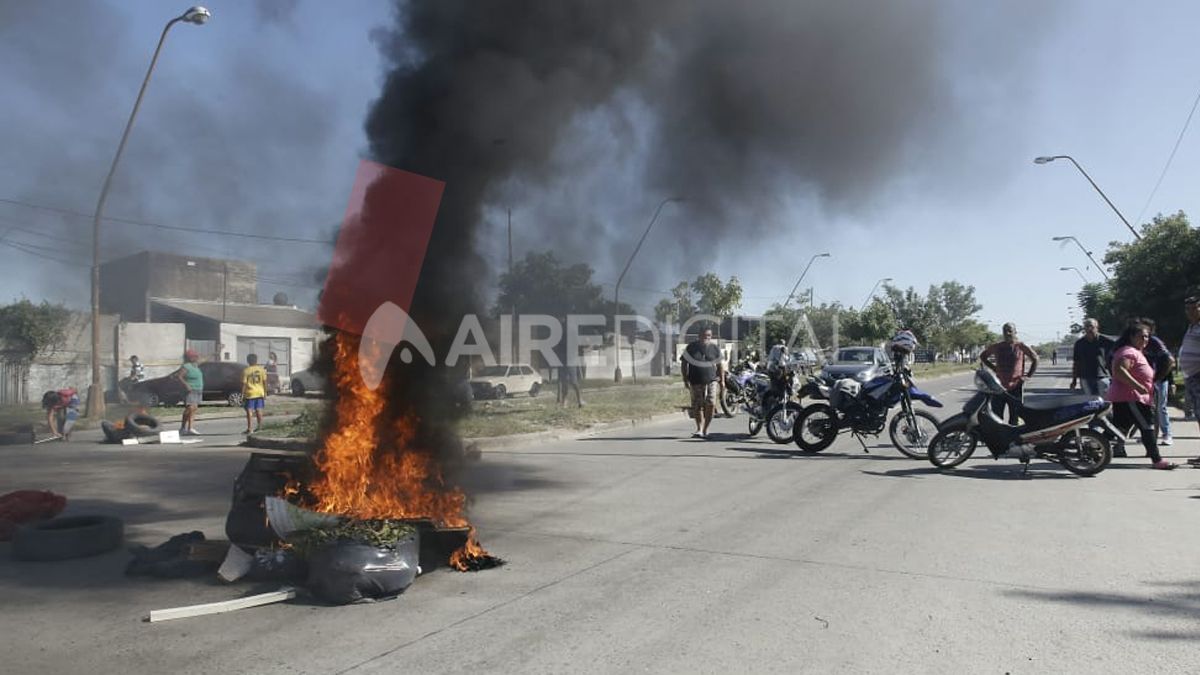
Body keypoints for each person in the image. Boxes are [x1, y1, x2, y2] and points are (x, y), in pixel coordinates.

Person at [1107, 322, 1176, 470]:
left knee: (1120, 428)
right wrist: (1137, 386)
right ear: (1131, 337)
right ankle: (1157, 460)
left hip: (1131, 397)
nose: (1145, 340)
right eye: (1141, 336)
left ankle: (1094, 447)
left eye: (1147, 337)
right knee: (1147, 427)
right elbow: (1119, 370)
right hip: (1132, 397)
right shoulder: (1128, 352)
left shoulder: (1134, 351)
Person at [979, 322, 1038, 423]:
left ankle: (1013, 438)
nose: (1007, 333)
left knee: (1014, 418)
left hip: (1015, 387)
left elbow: (1035, 359)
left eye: (1010, 331)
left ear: (1015, 332)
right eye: (1005, 331)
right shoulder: (997, 346)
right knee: (997, 418)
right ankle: (999, 438)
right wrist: (993, 368)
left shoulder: (1020, 346)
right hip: (999, 387)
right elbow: (983, 356)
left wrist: (1028, 376)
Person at [681, 327, 725, 439]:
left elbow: (720, 366)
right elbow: (684, 363)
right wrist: (685, 378)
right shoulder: (691, 347)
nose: (706, 337)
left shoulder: (714, 348)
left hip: (711, 380)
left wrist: (722, 381)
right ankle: (699, 428)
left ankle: (706, 429)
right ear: (699, 336)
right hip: (695, 380)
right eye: (704, 335)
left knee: (711, 403)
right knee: (697, 405)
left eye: (709, 335)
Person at [1139, 318, 1176, 446]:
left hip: (1159, 380)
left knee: (1161, 408)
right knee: (1148, 408)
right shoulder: (1139, 342)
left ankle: (1167, 434)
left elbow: (1169, 362)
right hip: (1145, 380)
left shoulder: (1155, 342)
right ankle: (1149, 435)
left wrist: (1170, 381)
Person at [1071, 318, 1115, 396]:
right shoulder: (1079, 343)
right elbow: (1076, 362)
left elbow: (1118, 354)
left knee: (1105, 402)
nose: (1089, 329)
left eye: (1091, 326)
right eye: (1086, 326)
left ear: (1097, 327)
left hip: (1102, 377)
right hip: (1085, 378)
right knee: (1090, 403)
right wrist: (1074, 380)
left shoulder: (1105, 341)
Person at [1180, 294, 1200, 466]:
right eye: (1188, 309)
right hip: (1192, 378)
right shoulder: (1191, 326)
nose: (1191, 312)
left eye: (1195, 308)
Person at [174, 350, 204, 436]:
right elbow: (179, 376)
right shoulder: (186, 366)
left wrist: (216, 352)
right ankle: (183, 428)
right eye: (194, 356)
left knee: (194, 409)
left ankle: (190, 428)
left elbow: (206, 359)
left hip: (198, 389)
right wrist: (186, 385)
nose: (196, 357)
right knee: (190, 408)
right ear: (189, 357)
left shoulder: (196, 366)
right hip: (190, 390)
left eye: (196, 356)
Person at [242, 353, 268, 434]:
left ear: (248, 361)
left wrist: (242, 394)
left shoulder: (246, 371)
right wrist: (265, 392)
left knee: (249, 411)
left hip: (250, 393)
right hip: (260, 392)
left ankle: (250, 428)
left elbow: (244, 384)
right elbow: (264, 382)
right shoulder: (262, 370)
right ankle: (260, 427)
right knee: (259, 410)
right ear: (256, 360)